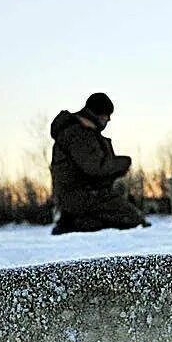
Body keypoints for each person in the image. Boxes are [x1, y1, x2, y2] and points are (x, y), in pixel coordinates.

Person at [48, 92, 150, 235]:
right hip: (84, 196)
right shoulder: (79, 134)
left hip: (83, 195)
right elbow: (94, 167)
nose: (108, 119)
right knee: (133, 221)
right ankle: (72, 223)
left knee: (120, 219)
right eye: (106, 115)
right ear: (97, 114)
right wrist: (122, 163)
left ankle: (75, 221)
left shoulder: (81, 132)